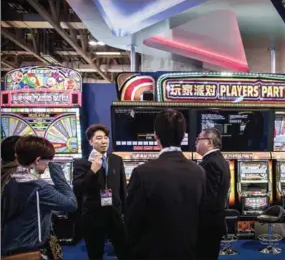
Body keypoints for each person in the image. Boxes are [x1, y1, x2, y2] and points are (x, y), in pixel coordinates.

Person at [125, 109, 206, 259]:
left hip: (151, 253)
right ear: (183, 136)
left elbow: (132, 222)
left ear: (156, 136)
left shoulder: (142, 172)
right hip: (188, 252)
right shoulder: (199, 171)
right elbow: (203, 218)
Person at [1, 136, 77, 259]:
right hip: (30, 248)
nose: (48, 165)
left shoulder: (10, 178)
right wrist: (59, 176)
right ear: (37, 160)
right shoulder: (38, 186)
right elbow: (71, 204)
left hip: (9, 244)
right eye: (47, 162)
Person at [72, 124, 128, 260]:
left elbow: (122, 188)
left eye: (105, 137)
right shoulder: (81, 163)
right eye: (99, 138)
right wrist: (93, 171)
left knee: (125, 252)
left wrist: (125, 212)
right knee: (95, 254)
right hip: (93, 216)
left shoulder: (116, 160)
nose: (104, 141)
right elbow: (78, 189)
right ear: (91, 141)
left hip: (115, 214)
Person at [195, 128, 231, 260]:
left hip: (207, 224)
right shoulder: (220, 160)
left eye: (199, 139)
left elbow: (209, 199)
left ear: (209, 142)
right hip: (214, 222)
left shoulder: (210, 163)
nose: (196, 142)